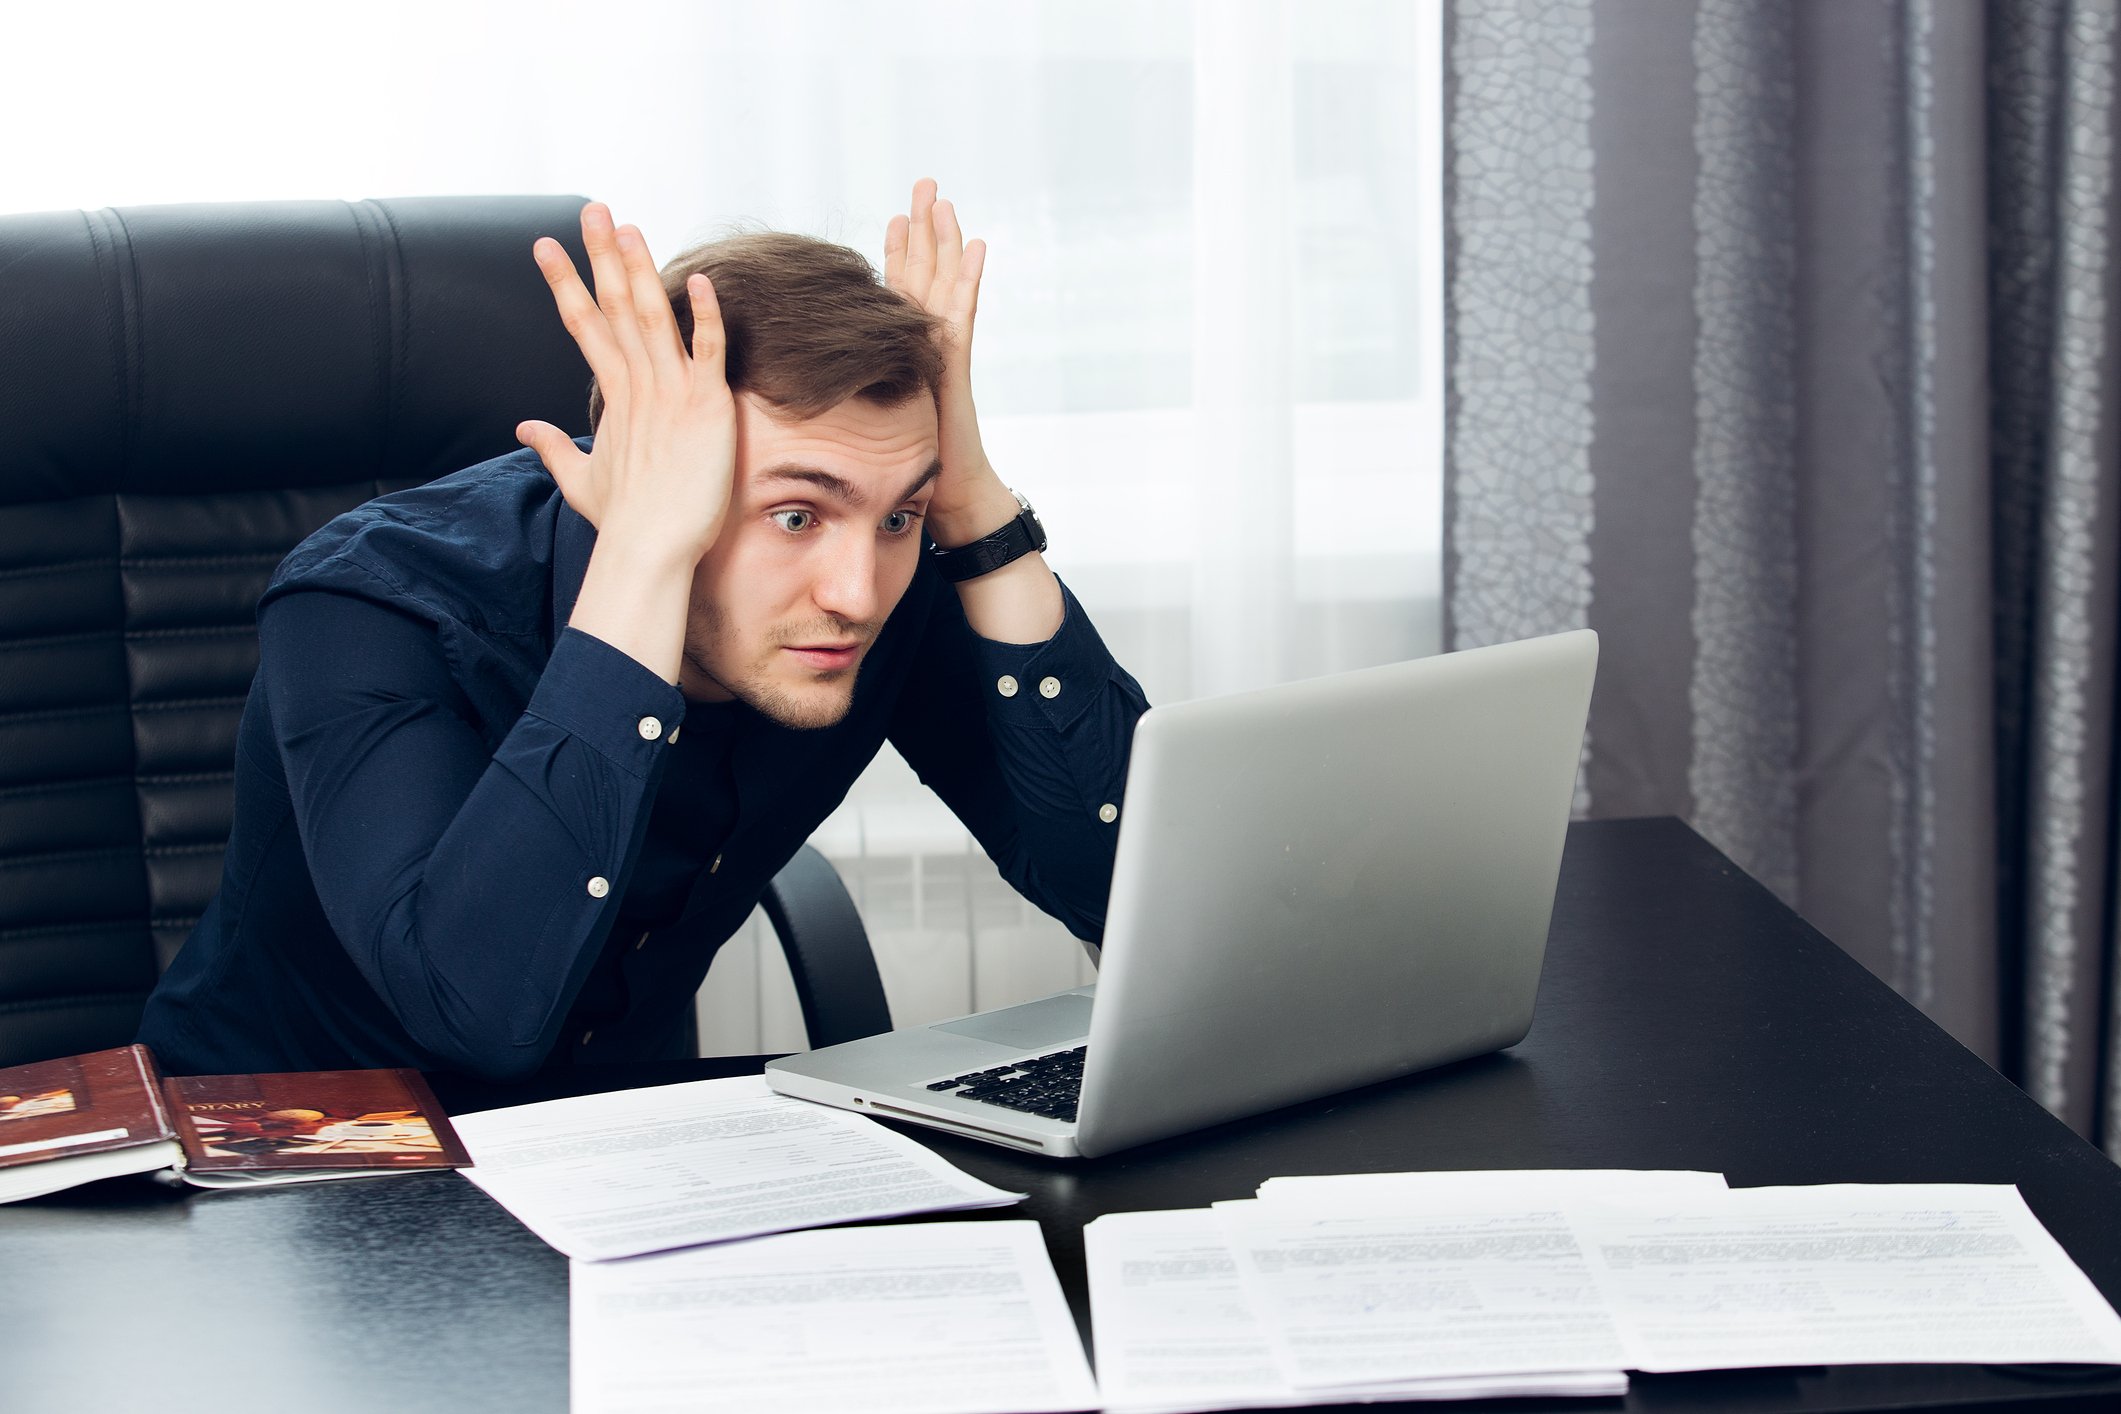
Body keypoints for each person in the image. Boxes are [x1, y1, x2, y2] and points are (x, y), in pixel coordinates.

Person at [137, 182, 1148, 1083]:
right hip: (284, 1167)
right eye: (794, 514)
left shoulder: (881, 584)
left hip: (621, 1153)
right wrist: (642, 564)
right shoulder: (367, 606)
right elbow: (474, 1016)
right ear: (663, 478)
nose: (854, 590)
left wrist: (973, 510)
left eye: (899, 512)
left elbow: (1129, 896)